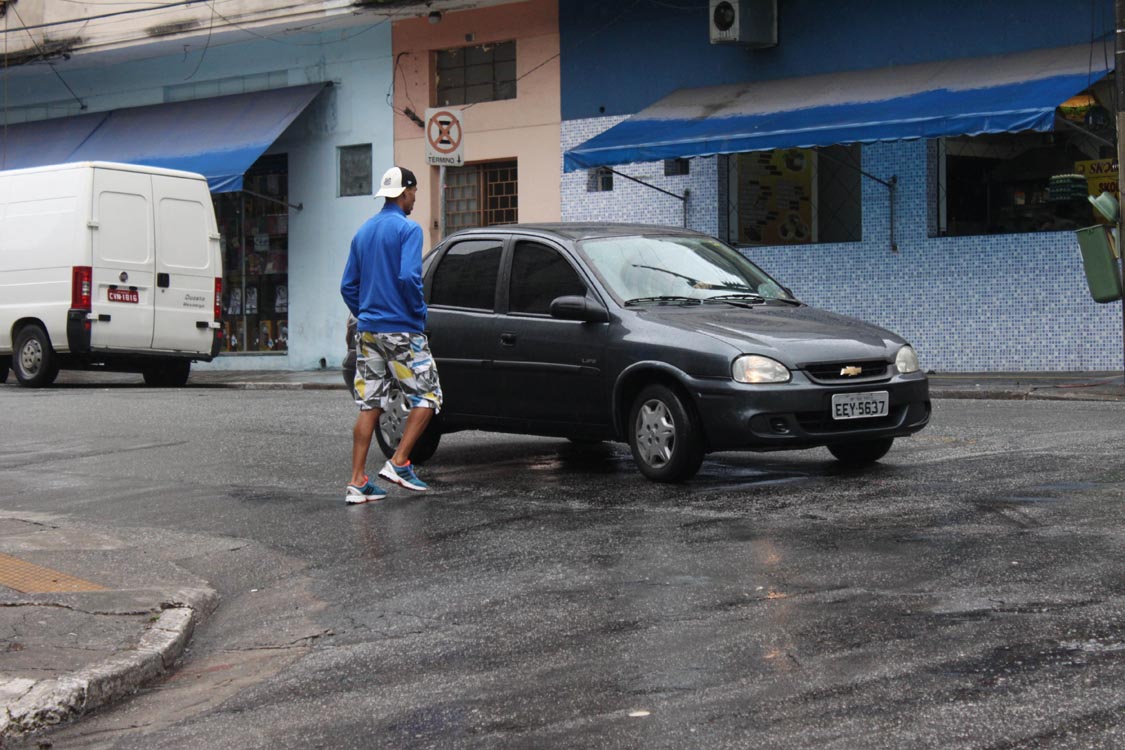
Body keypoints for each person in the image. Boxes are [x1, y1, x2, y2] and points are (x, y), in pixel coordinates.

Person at [340, 166, 443, 503]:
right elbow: (409, 277)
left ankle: (357, 481)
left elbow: (347, 286)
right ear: (405, 192)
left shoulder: (363, 232)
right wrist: (418, 313)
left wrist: (368, 311)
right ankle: (399, 462)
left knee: (369, 404)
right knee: (428, 397)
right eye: (413, 193)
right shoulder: (407, 230)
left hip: (368, 331)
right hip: (401, 329)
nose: (414, 199)